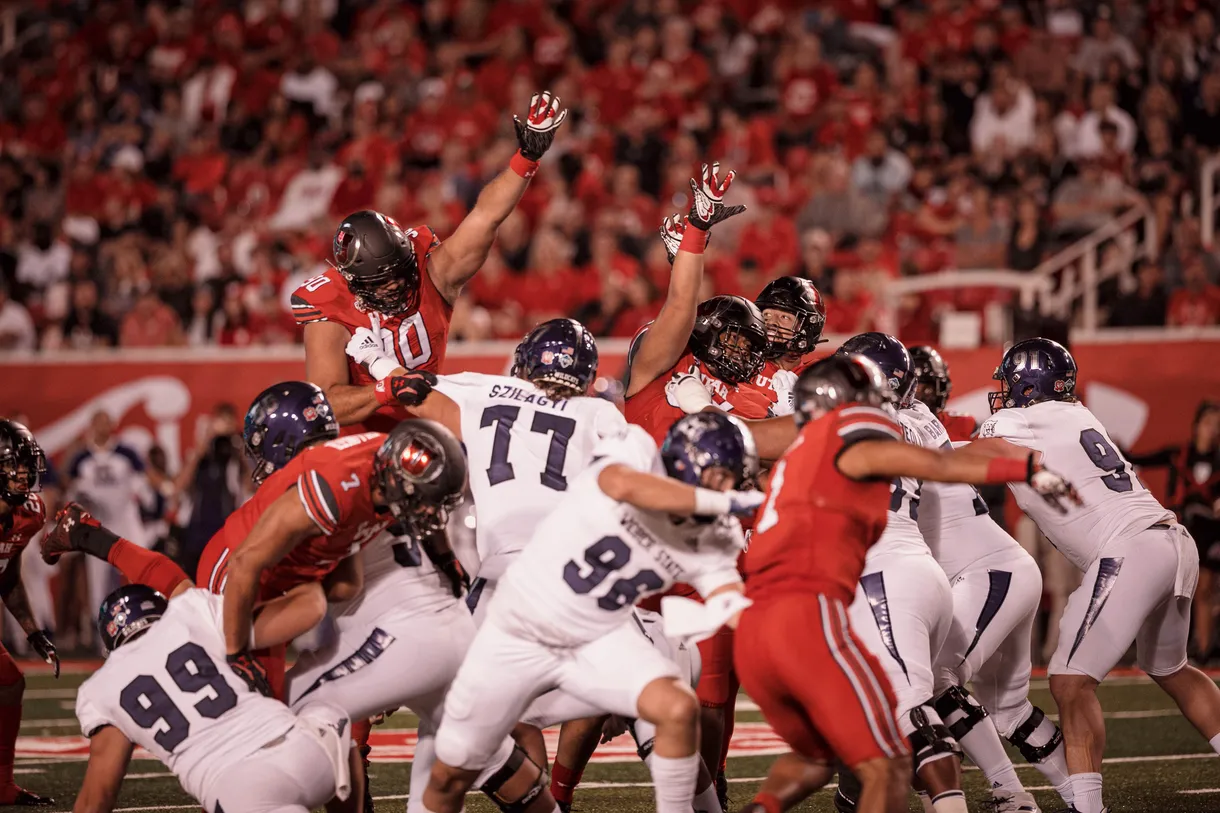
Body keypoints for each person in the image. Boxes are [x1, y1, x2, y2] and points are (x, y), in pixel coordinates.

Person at [735, 354, 1081, 813]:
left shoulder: (793, 451)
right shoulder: (875, 431)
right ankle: (999, 797)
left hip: (772, 623)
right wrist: (1026, 467)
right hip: (855, 593)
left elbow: (737, 442)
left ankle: (1010, 795)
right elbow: (932, 460)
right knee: (907, 724)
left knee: (835, 752)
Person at [423, 413, 765, 813]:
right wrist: (708, 499)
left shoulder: (715, 530)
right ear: (691, 461)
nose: (730, 491)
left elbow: (727, 597)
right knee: (451, 770)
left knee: (675, 707)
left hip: (602, 633)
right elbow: (619, 483)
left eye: (736, 483)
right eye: (722, 478)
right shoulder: (636, 447)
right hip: (523, 621)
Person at [978, 338, 1220, 813]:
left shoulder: (1017, 419)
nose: (1003, 392)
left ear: (1028, 386)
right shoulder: (1080, 414)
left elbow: (969, 453)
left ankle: (1088, 807)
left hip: (1130, 549)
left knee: (1070, 683)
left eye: (1009, 383)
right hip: (1173, 540)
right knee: (1173, 668)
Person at [283, 419, 555, 813]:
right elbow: (433, 538)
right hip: (449, 623)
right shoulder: (379, 467)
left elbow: (342, 585)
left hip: (400, 633)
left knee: (276, 714)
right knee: (485, 757)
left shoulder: (323, 485)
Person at [295, 91, 569, 432]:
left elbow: (485, 218)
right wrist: (385, 390)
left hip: (425, 429)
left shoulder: (432, 272)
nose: (396, 282)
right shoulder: (331, 306)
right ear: (354, 281)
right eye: (383, 279)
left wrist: (526, 158)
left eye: (399, 270)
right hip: (358, 444)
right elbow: (326, 404)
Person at [72, 584, 356, 813]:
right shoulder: (189, 610)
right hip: (305, 754)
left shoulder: (100, 689)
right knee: (330, 712)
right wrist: (309, 584)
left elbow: (97, 799)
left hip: (239, 793)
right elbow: (302, 613)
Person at [1127, 402, 1220, 660]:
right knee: (1168, 589)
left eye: (1217, 425)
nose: (1213, 429)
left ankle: (1203, 651)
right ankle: (1159, 648)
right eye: (1209, 423)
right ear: (1197, 425)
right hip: (1181, 530)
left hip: (1212, 532)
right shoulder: (1178, 455)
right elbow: (1137, 459)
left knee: (1205, 589)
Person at [0, 420, 58, 806]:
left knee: (10, 682)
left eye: (26, 463)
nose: (23, 473)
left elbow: (7, 577)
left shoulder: (29, 514)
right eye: (12, 464)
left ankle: (2, 784)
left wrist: (32, 631)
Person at [64, 411, 152, 647]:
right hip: (97, 524)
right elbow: (70, 489)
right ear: (92, 425)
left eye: (106, 421)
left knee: (143, 570)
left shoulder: (127, 453)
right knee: (98, 582)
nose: (103, 427)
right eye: (98, 422)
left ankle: (148, 623)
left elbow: (145, 484)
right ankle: (102, 636)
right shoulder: (80, 457)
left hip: (125, 520)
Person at [752, 276, 827, 416]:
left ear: (806, 328)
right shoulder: (741, 366)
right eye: (766, 314)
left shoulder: (817, 377)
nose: (771, 323)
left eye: (784, 317)